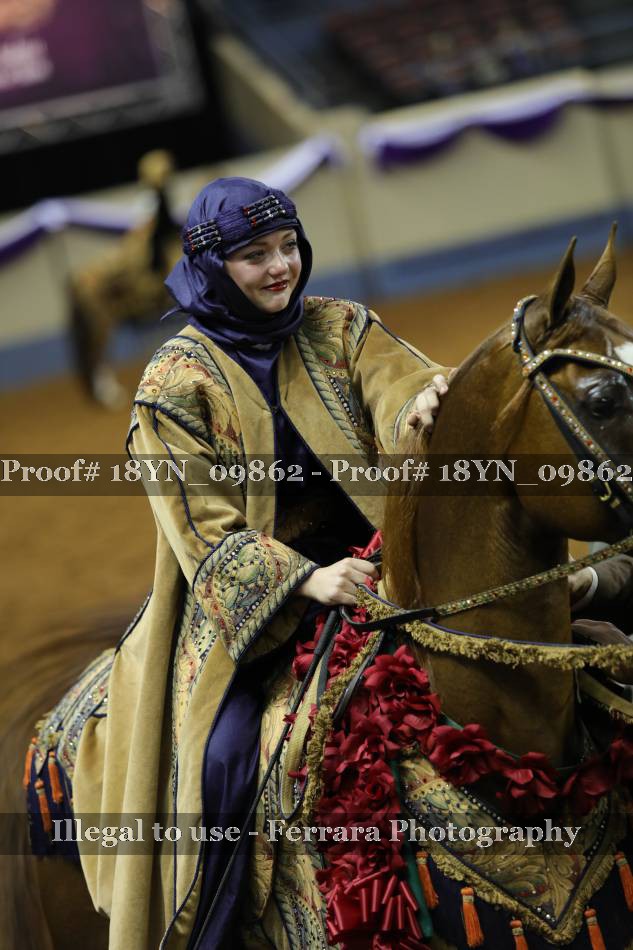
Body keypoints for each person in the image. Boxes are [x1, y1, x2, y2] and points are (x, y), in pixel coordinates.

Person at [27, 177, 451, 948]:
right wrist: (307, 579)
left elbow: (397, 381)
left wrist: (423, 402)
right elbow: (201, 528)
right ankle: (211, 931)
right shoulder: (172, 385)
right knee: (221, 763)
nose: (281, 266)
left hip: (386, 562)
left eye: (289, 246)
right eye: (256, 255)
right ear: (212, 266)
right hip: (246, 605)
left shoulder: (339, 325)